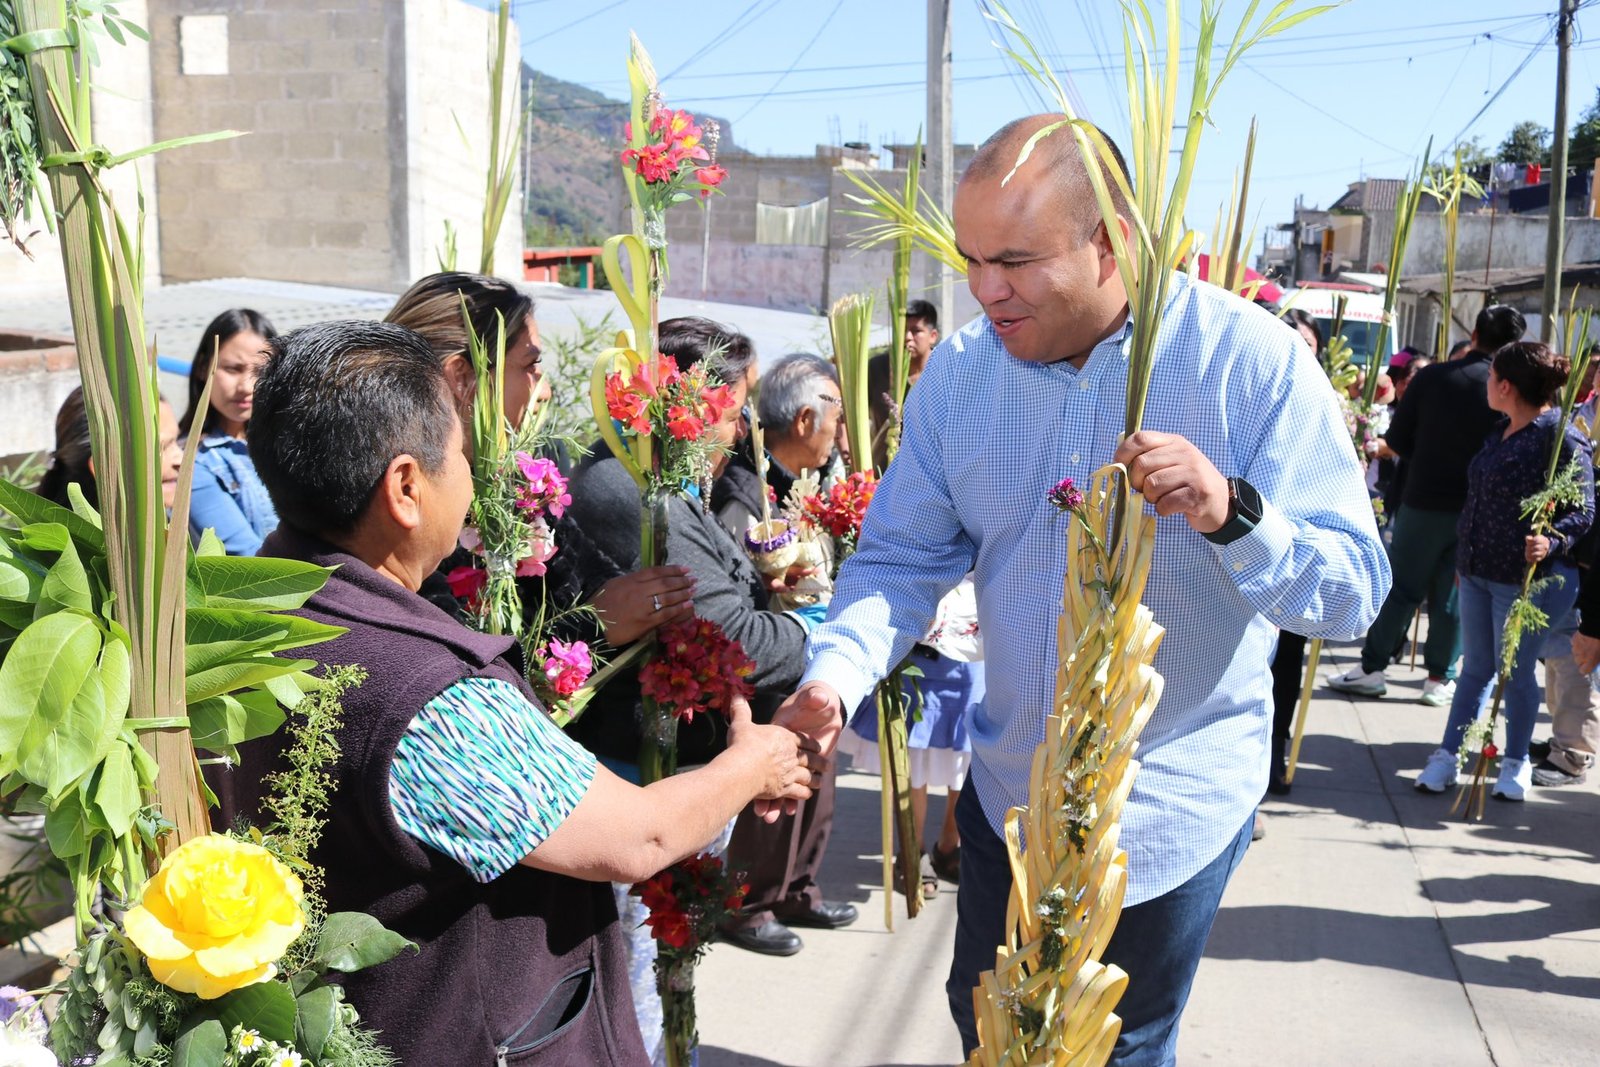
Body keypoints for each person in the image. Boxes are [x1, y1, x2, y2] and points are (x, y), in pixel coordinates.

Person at [767, 115, 1388, 1065]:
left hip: (1165, 814)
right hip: (1011, 792)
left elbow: (1351, 596)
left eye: (1013, 259)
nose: (984, 289)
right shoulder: (962, 379)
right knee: (986, 1022)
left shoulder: (1250, 363)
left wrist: (1233, 512)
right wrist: (834, 679)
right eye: (971, 258)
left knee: (1115, 1048)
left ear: (1112, 242)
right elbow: (899, 560)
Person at [233, 319, 819, 1064]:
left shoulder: (259, 613)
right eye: (463, 454)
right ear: (407, 487)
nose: (475, 476)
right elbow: (637, 836)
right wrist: (753, 763)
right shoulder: (430, 701)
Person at [565, 318, 856, 961]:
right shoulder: (636, 493)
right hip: (636, 774)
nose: (744, 429)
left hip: (666, 768)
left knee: (663, 990)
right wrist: (823, 635)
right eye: (738, 409)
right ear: (699, 404)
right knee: (642, 986)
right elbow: (734, 639)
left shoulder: (665, 485)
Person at [385, 271, 694, 645]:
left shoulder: (516, 482)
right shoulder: (402, 511)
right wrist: (595, 629)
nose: (544, 390)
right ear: (461, 377)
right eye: (530, 366)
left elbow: (594, 579)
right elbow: (454, 671)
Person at [1414, 340, 1594, 800]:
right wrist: (1465, 556)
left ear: (1507, 386)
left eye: (1492, 377)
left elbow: (1585, 509)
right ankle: (1448, 756)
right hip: (1477, 570)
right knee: (1474, 669)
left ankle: (1515, 763)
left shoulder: (1561, 438)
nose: (1487, 385)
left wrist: (1551, 540)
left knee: (1514, 675)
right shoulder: (1501, 430)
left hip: (1526, 579)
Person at [1328, 305, 1527, 705]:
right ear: (1514, 344)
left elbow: (1398, 441)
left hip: (1423, 501)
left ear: (1473, 333)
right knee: (1451, 596)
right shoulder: (1512, 392)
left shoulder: (1433, 377)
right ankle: (1440, 677)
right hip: (1477, 510)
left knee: (1401, 588)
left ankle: (1372, 668)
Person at [179, 309, 279, 555]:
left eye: (259, 372)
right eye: (233, 369)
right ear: (203, 368)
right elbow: (248, 558)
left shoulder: (290, 441)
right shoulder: (193, 461)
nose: (246, 386)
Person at [716, 353, 844, 539]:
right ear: (804, 420)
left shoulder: (817, 479)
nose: (840, 433)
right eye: (836, 418)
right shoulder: (743, 504)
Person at [37, 386, 183, 511]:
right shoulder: (78, 543)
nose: (180, 459)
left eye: (176, 442)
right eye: (162, 447)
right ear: (103, 468)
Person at [866, 298, 940, 470]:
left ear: (933, 336)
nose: (907, 337)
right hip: (880, 476)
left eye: (916, 331)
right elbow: (847, 413)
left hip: (929, 475)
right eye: (903, 330)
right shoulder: (876, 369)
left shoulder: (944, 370)